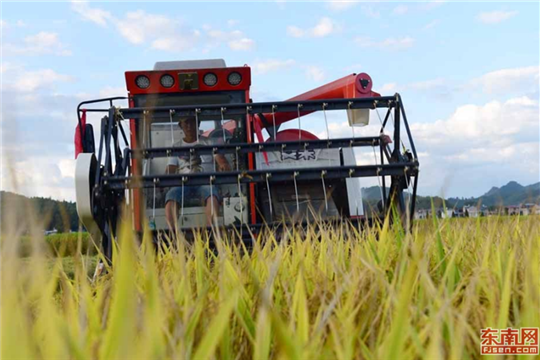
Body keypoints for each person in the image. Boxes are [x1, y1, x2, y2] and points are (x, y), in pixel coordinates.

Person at [164, 116, 231, 230]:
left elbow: (221, 161)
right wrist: (164, 181)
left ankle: (211, 232)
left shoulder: (209, 143)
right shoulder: (176, 146)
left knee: (212, 194)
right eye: (186, 123)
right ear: (181, 126)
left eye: (192, 122)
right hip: (183, 184)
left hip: (206, 182)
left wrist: (223, 166)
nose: (189, 126)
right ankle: (172, 234)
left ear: (198, 124)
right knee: (171, 195)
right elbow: (170, 168)